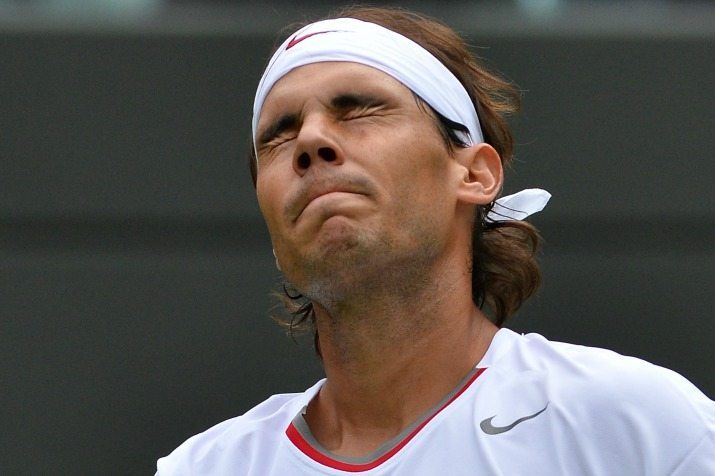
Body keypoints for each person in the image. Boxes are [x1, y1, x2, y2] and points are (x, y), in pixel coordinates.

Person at [156, 6, 714, 475]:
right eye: (278, 135)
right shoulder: (203, 468)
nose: (311, 140)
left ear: (474, 174)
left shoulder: (641, 426)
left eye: (358, 110)